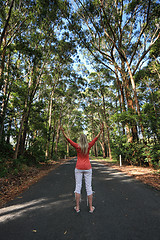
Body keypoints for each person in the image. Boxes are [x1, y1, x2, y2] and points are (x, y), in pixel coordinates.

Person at [60, 123, 104, 213]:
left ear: (80, 140)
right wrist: (101, 130)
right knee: (89, 187)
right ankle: (91, 208)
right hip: (88, 168)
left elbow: (68, 140)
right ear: (86, 139)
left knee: (78, 187)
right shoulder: (88, 146)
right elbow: (96, 139)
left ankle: (77, 207)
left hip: (78, 168)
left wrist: (63, 132)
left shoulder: (77, 146)